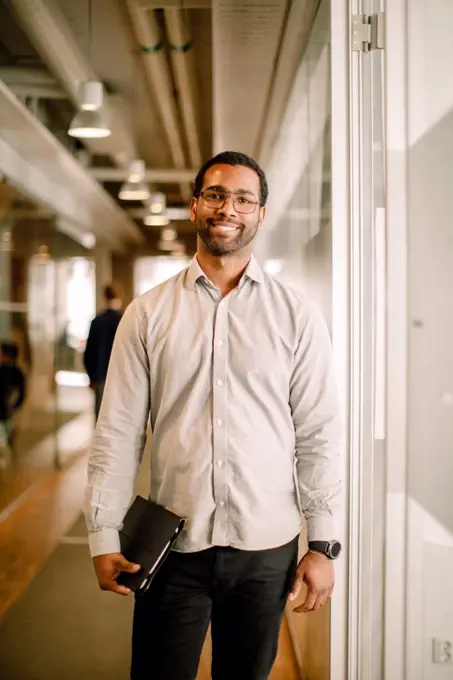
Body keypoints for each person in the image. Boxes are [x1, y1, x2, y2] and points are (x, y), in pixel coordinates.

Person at [84, 151, 343, 680]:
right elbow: (118, 432)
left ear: (261, 214)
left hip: (265, 550)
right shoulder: (148, 313)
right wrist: (102, 533)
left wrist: (323, 543)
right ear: (195, 205)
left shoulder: (297, 316)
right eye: (217, 195)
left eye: (244, 198)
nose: (230, 208)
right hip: (172, 549)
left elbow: (318, 434)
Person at [83, 283, 123, 420]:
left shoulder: (97, 322)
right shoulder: (124, 320)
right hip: (121, 377)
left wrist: (91, 376)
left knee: (101, 418)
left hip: (100, 375)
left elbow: (88, 353)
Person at [0, 341, 26, 466]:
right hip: (9, 411)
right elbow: (22, 394)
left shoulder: (8, 371)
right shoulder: (17, 372)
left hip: (6, 411)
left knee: (4, 441)